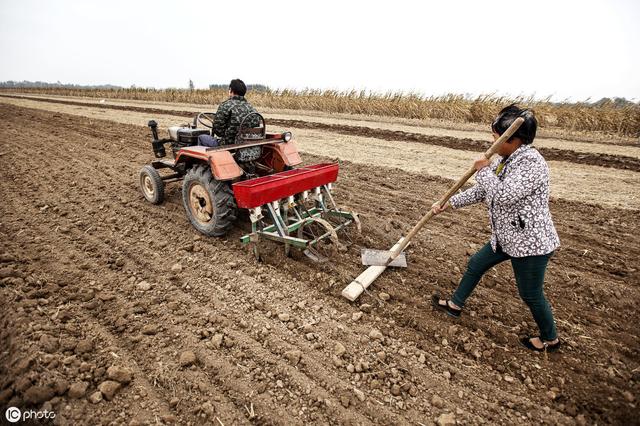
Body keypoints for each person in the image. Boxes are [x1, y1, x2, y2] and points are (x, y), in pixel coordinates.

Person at [430, 105, 561, 352]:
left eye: (495, 137)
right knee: (476, 264)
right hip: (506, 237)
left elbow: (504, 196)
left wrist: (484, 171)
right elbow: (483, 191)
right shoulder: (504, 159)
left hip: (530, 242)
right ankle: (455, 305)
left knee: (530, 294)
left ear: (513, 140)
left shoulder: (532, 164)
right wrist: (448, 203)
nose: (492, 142)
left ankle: (550, 339)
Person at [198, 78, 258, 147]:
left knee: (201, 137)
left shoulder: (226, 105)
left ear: (231, 91)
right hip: (248, 147)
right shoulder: (253, 109)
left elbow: (218, 132)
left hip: (228, 146)